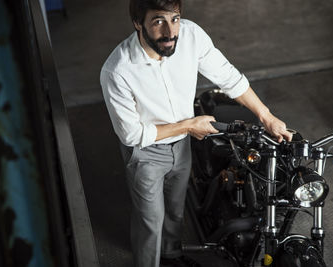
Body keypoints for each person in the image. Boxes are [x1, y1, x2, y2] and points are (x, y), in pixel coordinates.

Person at [100, 0, 293, 266]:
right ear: (137, 23)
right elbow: (132, 134)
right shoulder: (118, 70)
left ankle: (171, 255)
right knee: (150, 219)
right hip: (145, 152)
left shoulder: (191, 36)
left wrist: (267, 117)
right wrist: (190, 125)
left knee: (176, 209)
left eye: (175, 19)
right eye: (158, 21)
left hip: (181, 146)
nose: (170, 31)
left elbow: (229, 78)